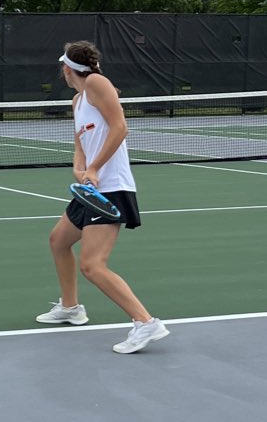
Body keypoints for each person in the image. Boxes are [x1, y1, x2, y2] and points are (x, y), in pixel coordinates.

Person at [35, 40, 168, 354]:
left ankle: (146, 322)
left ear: (69, 68)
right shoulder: (77, 101)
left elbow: (120, 128)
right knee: (58, 240)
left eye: (63, 66)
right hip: (92, 189)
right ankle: (71, 308)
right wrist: (79, 168)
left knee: (93, 265)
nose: (62, 71)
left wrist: (94, 168)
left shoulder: (97, 82)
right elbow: (80, 143)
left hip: (113, 187)